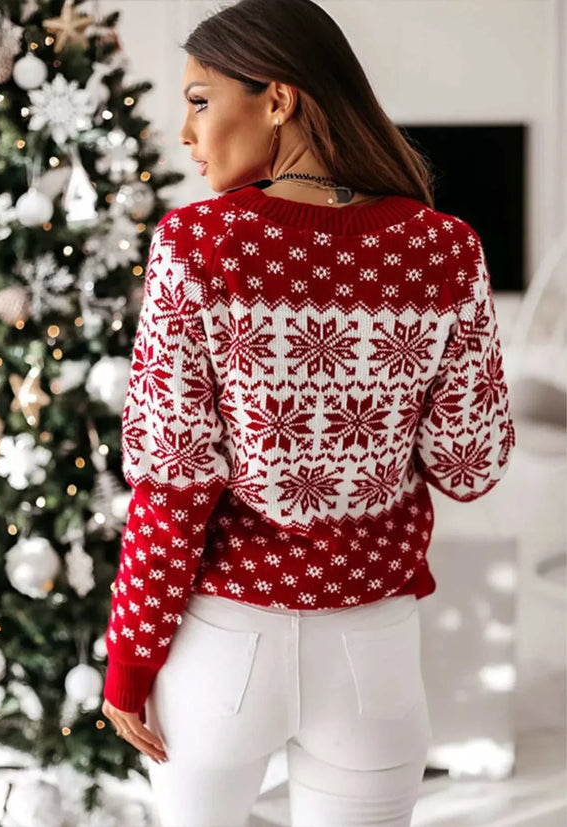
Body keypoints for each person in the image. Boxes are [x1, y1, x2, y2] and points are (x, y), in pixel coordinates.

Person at [101, 0, 516, 824]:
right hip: (373, 652)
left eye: (199, 101)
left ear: (279, 100)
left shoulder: (196, 245)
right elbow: (470, 468)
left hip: (223, 649)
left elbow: (174, 481)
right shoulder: (444, 248)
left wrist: (131, 657)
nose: (186, 133)